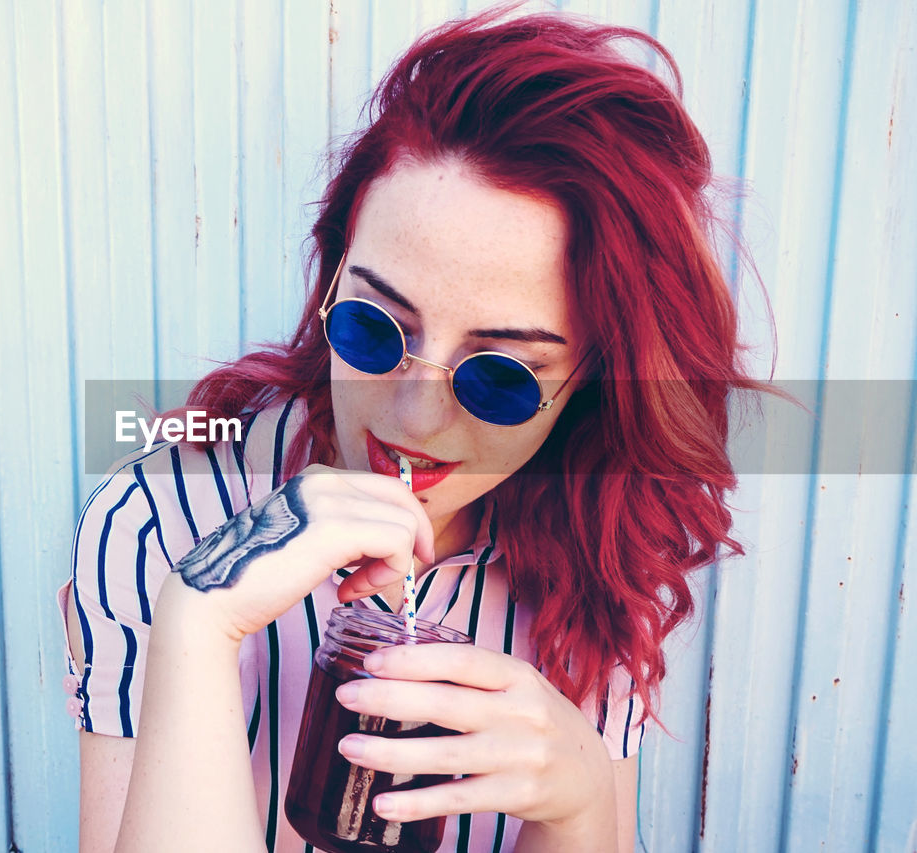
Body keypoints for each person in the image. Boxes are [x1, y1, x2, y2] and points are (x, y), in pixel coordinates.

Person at [61, 8, 766, 852]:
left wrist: (579, 807)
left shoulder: (595, 551)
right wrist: (199, 629)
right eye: (372, 329)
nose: (415, 417)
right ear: (329, 286)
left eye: (500, 377)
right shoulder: (159, 524)